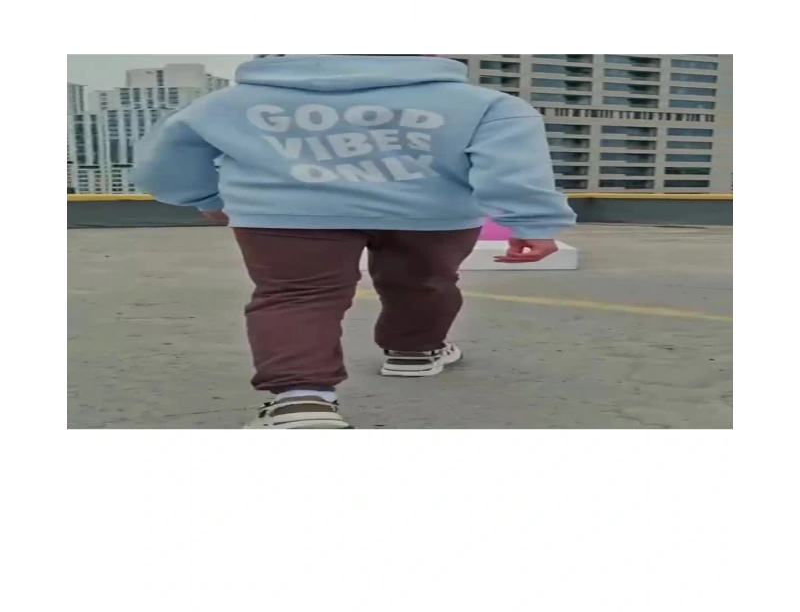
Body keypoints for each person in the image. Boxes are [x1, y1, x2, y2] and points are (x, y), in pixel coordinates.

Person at [133, 55, 576, 429]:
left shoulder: (225, 104)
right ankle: (414, 351)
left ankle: (300, 401)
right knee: (424, 281)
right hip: (431, 213)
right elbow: (512, 167)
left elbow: (164, 163)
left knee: (296, 295)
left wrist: (205, 197)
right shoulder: (485, 105)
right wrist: (530, 222)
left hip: (288, 214)